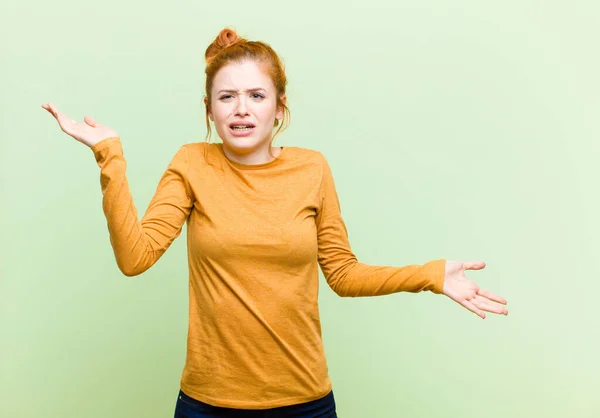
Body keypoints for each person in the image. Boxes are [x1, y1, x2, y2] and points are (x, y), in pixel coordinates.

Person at [42, 27, 508, 418]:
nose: (241, 108)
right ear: (209, 110)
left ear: (279, 108)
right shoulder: (191, 164)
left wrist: (429, 275)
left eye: (255, 95)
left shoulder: (312, 169)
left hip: (304, 401)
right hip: (209, 402)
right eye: (226, 96)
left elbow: (343, 275)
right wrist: (109, 155)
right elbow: (134, 257)